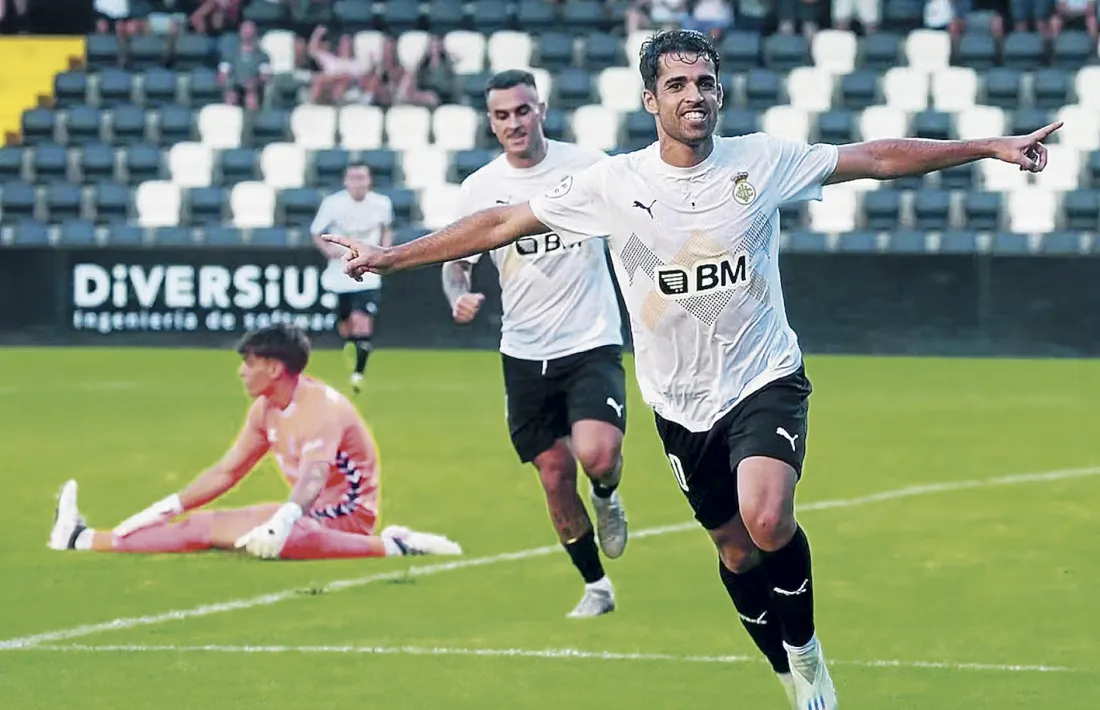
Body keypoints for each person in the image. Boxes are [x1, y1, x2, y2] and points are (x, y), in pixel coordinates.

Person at [322, 29, 1062, 709]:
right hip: (679, 403)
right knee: (734, 547)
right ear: (651, 99)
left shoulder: (761, 161)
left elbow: (873, 159)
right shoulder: (614, 184)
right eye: (677, 85)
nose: (695, 95)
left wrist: (989, 145)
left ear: (719, 90)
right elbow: (500, 222)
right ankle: (783, 672)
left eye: (704, 81)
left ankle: (807, 655)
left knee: (768, 518)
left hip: (763, 376)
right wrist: (393, 257)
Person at [441, 69, 629, 619]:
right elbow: (457, 265)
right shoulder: (478, 189)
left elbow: (637, 227)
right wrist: (458, 295)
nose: (514, 123)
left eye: (522, 111)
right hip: (523, 351)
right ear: (492, 123)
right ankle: (596, 587)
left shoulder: (589, 166)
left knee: (598, 453)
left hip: (590, 339)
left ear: (541, 110)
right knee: (552, 474)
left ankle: (608, 493)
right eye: (502, 115)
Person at [48, 324, 461, 561]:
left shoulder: (321, 407)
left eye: (249, 363)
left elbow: (315, 476)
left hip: (344, 516)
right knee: (207, 525)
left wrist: (282, 520)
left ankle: (392, 546)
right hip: (308, 511)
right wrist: (165, 507)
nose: (242, 373)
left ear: (275, 368)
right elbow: (227, 471)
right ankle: (88, 539)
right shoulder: (267, 408)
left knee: (222, 528)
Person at [310, 162, 394, 394]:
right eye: (353, 178)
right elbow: (316, 232)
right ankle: (352, 345)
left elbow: (387, 228)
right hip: (340, 273)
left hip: (367, 272)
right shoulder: (333, 204)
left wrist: (383, 252)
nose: (358, 183)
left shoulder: (381, 203)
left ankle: (358, 373)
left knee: (362, 319)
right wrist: (329, 251)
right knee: (346, 323)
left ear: (369, 180)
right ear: (346, 181)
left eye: (362, 178)